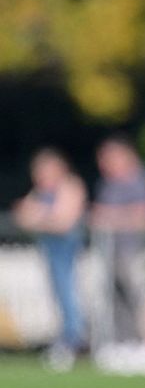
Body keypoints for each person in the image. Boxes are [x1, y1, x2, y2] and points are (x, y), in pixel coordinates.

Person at [13, 148, 87, 370]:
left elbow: (64, 221)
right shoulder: (41, 191)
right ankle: (66, 337)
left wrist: (39, 217)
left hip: (66, 250)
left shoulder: (69, 186)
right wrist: (44, 217)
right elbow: (22, 216)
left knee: (69, 293)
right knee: (57, 294)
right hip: (50, 250)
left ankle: (74, 340)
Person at [89, 135, 145, 343]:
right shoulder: (108, 183)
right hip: (113, 252)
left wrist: (109, 217)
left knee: (139, 299)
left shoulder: (139, 180)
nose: (103, 164)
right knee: (117, 301)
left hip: (135, 252)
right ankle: (126, 342)